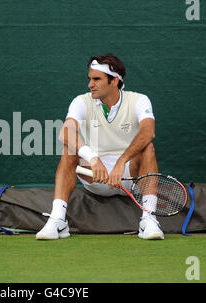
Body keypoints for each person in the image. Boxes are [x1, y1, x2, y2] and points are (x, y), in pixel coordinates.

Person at [36, 53, 164, 240]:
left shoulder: (139, 100)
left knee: (148, 148)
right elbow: (65, 132)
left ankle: (149, 219)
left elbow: (148, 132)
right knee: (69, 149)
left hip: (130, 176)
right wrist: (92, 158)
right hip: (96, 177)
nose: (90, 84)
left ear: (114, 81)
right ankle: (58, 220)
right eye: (90, 79)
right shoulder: (81, 101)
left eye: (97, 79)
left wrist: (121, 162)